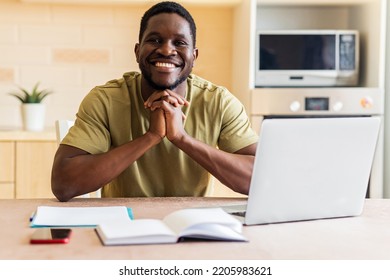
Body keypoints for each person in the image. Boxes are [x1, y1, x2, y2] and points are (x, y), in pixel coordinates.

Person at [51, 1, 258, 202]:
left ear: (194, 56)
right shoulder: (105, 100)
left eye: (180, 42)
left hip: (192, 226)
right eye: (155, 40)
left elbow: (259, 179)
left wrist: (181, 138)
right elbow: (63, 184)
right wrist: (151, 136)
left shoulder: (219, 102)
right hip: (123, 226)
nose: (167, 50)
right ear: (137, 51)